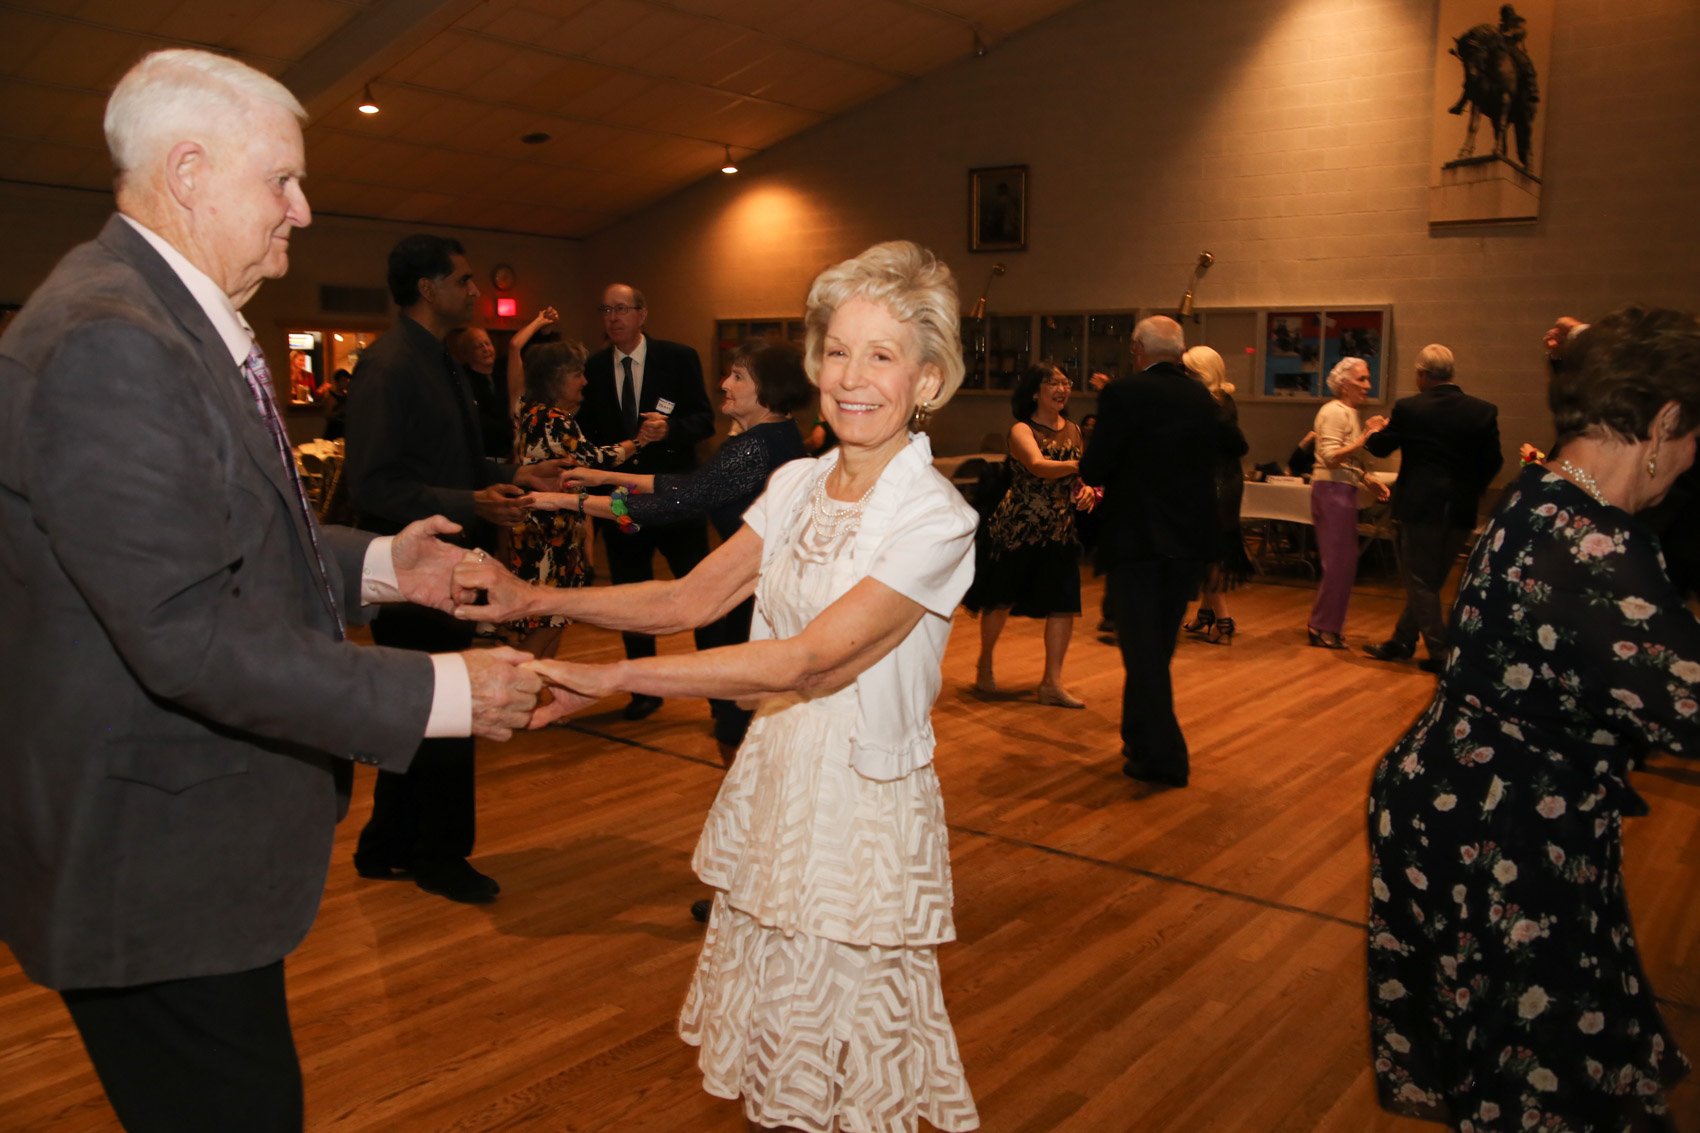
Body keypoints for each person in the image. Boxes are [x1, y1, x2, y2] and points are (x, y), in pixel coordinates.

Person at [0, 49, 541, 1132]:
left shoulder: (154, 314)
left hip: (178, 850)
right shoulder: (112, 341)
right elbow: (186, 633)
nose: (302, 209)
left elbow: (216, 538)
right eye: (281, 179)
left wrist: (385, 565)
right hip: (148, 862)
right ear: (188, 171)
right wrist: (444, 692)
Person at [454, 241, 982, 1133]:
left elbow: (808, 660)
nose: (851, 377)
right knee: (777, 1044)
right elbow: (689, 596)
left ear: (927, 379)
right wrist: (532, 597)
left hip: (856, 803)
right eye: (837, 351)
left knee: (840, 1050)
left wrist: (613, 673)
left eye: (881, 356)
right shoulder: (798, 481)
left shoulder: (935, 516)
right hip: (777, 775)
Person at [1367, 304, 1700, 1130]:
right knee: (1537, 1077)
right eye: (1695, 435)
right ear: (1663, 421)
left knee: (1527, 1049)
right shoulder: (1597, 545)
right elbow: (1689, 708)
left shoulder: (1542, 492)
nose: (1694, 458)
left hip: (1459, 797)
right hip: (1503, 828)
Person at [344, 232, 566, 905]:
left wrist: (516, 473)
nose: (476, 292)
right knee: (447, 708)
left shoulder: (437, 358)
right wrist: (471, 502)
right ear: (427, 288)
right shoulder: (389, 366)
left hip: (446, 563)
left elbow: (452, 461)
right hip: (414, 569)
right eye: (464, 280)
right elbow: (375, 484)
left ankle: (387, 844)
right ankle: (439, 856)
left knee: (421, 710)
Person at [535, 339, 810, 759]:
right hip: (761, 589)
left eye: (738, 376)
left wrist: (571, 502)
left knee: (737, 725)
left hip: (755, 597)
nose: (724, 383)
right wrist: (602, 477)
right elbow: (690, 486)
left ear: (768, 389)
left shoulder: (751, 447)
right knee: (751, 718)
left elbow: (675, 503)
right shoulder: (778, 435)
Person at [1080, 316, 1246, 789]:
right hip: (1189, 540)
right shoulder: (1202, 396)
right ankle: (1137, 737)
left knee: (1142, 650)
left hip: (1138, 538)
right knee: (1156, 647)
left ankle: (1166, 756)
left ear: (1137, 349)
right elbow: (1236, 444)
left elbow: (1095, 467)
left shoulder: (1123, 393)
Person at [576, 282, 717, 720]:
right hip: (621, 504)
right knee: (630, 597)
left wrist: (670, 430)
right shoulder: (592, 369)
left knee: (700, 590)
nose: (613, 318)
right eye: (606, 310)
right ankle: (643, 690)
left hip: (675, 498)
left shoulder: (677, 358)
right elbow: (586, 436)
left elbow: (704, 420)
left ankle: (721, 693)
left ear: (642, 314)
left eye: (621, 309)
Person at [1361, 344, 1502, 672]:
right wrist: (1472, 488)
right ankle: (1401, 641)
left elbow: (1381, 448)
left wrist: (1372, 431)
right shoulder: (1482, 411)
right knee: (1430, 581)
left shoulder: (1411, 408)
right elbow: (1494, 460)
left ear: (1422, 375)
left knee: (1419, 581)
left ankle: (1442, 653)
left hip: (1421, 507)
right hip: (1461, 508)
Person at [963, 361, 1093, 707]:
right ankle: (985, 662)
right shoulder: (1022, 430)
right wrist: (1083, 466)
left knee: (1064, 606)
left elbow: (1077, 480)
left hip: (1059, 529)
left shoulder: (1074, 430)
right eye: (1053, 383)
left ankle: (1052, 682)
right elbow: (1038, 466)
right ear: (1035, 392)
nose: (1062, 389)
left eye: (1065, 382)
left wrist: (1086, 490)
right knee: (1001, 600)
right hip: (1019, 529)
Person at [504, 339, 637, 660]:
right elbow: (595, 458)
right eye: (577, 374)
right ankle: (514, 679)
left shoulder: (527, 411)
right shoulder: (554, 419)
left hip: (536, 529)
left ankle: (539, 685)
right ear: (556, 378)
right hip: (552, 532)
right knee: (549, 619)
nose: (584, 381)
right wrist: (637, 442)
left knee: (552, 618)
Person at [1306, 357, 1389, 649]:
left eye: (1368, 378)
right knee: (1338, 563)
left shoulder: (1349, 413)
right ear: (1343, 384)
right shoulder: (1334, 411)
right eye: (1361, 379)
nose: (1367, 385)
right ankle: (1321, 626)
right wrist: (1367, 435)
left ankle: (1328, 625)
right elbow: (1330, 457)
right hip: (1330, 490)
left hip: (1341, 489)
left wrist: (1366, 478)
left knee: (1345, 562)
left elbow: (1346, 460)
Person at [1178, 345, 1251, 645]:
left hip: (1215, 484)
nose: (1184, 375)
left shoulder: (1209, 404)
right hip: (1223, 480)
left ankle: (1223, 619)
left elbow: (1236, 444)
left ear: (1201, 372)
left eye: (1188, 370)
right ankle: (1206, 613)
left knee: (1209, 552)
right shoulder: (1221, 400)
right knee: (1211, 548)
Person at [445, 325, 513, 462]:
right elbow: (478, 420)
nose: (486, 349)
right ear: (467, 354)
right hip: (483, 453)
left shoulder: (504, 370)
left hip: (510, 451)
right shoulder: (462, 381)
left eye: (487, 343)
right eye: (478, 346)